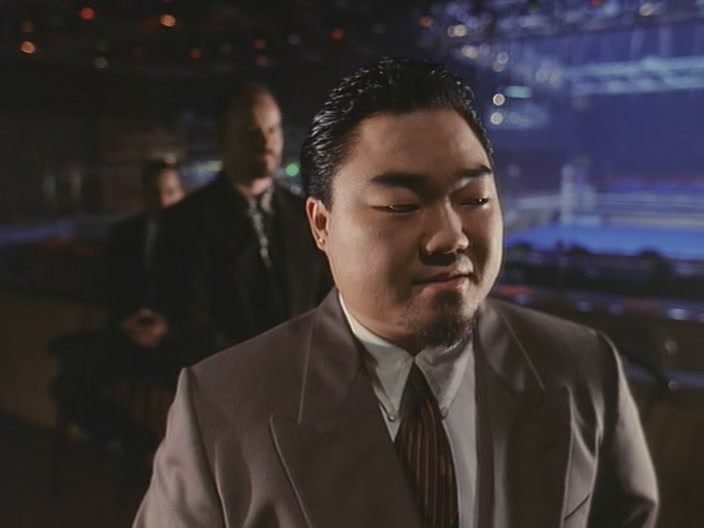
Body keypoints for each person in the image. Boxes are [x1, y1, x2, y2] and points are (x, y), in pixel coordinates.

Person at [134, 58, 658, 527]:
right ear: (321, 224)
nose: (450, 236)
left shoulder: (583, 368)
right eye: (402, 206)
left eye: (474, 198)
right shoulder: (220, 407)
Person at [157, 82, 331, 362]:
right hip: (229, 378)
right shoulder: (184, 223)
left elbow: (329, 303)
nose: (266, 142)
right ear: (222, 136)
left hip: (308, 373)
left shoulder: (306, 214)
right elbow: (190, 323)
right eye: (252, 132)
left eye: (273, 130)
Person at [51, 160, 185, 459]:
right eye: (155, 192)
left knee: (195, 391)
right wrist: (127, 322)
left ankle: (173, 461)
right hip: (128, 336)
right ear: (143, 195)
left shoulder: (196, 237)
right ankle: (135, 439)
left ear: (182, 194)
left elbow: (200, 298)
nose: (163, 200)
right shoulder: (125, 233)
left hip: (174, 341)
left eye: (170, 192)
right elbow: (114, 288)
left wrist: (167, 326)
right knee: (67, 384)